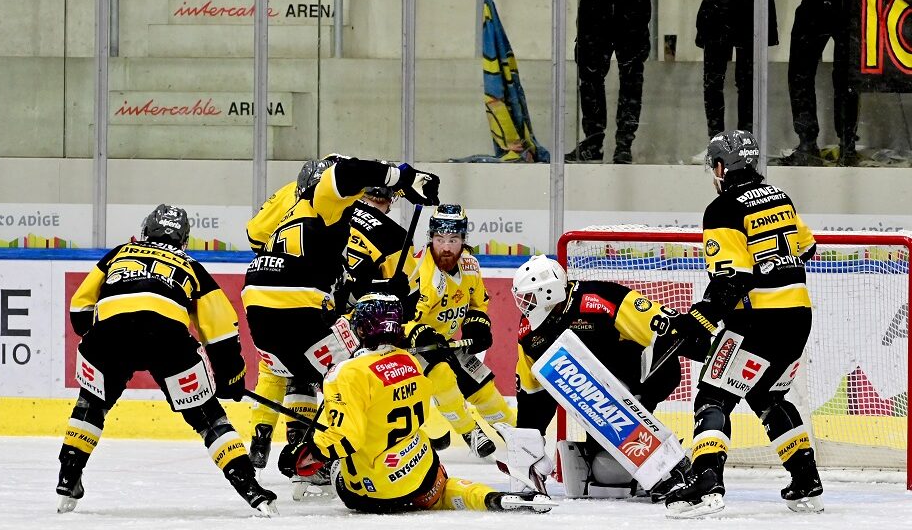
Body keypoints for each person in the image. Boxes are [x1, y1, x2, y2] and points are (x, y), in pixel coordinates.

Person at [57, 204, 276, 515]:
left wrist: (100, 337)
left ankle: (68, 475)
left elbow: (80, 308)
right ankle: (250, 488)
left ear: (145, 231)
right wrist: (231, 376)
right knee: (208, 417)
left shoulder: (121, 252)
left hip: (110, 332)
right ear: (183, 239)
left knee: (91, 403)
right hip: (166, 337)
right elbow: (221, 330)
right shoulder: (191, 265)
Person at [241, 156, 439, 496]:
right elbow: (348, 172)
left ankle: (303, 452)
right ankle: (326, 452)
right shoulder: (324, 202)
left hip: (258, 304)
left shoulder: (290, 209)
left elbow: (255, 234)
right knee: (360, 370)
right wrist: (405, 176)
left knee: (308, 370)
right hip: (297, 303)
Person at [664, 130, 823, 518]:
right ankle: (806, 480)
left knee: (712, 397)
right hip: (798, 317)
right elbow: (808, 247)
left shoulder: (722, 209)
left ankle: (705, 482)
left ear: (721, 167)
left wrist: (701, 317)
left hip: (757, 320)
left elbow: (731, 278)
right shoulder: (780, 197)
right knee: (768, 396)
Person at [277, 293, 554, 514]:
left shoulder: (346, 372)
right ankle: (494, 499)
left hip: (373, 494)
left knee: (339, 467)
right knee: (443, 490)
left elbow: (346, 437)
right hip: (422, 474)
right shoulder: (411, 362)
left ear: (361, 328)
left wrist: (307, 453)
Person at [510, 254, 706, 500]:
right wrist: (527, 454)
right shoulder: (528, 333)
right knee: (608, 474)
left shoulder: (598, 298)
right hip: (595, 400)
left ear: (548, 292)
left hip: (641, 378)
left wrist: (704, 348)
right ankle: (628, 454)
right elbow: (532, 395)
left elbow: (662, 327)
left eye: (529, 298)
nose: (524, 306)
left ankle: (664, 460)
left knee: (618, 456)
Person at [403, 205, 516, 459]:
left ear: (463, 240)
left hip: (447, 344)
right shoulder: (420, 273)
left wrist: (477, 324)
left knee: (485, 391)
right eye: (439, 239)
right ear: (431, 238)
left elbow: (478, 303)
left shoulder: (470, 265)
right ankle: (469, 431)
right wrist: (422, 334)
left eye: (453, 240)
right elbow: (403, 321)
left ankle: (520, 437)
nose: (445, 247)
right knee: (443, 375)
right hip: (415, 349)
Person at [564, 0, 669, 164]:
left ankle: (624, 145)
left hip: (633, 1)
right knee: (589, 73)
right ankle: (592, 143)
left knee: (631, 76)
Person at [775, 0, 870, 167]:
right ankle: (807, 144)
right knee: (798, 73)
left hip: (848, 3)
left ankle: (847, 145)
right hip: (813, 2)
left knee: (846, 77)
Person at [685, 0, 777, 148]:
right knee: (713, 81)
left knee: (748, 82)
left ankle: (746, 145)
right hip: (716, 8)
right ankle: (716, 144)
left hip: (750, 9)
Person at [341, 185, 416, 310]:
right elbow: (410, 295)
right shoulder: (396, 236)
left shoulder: (338, 210)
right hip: (364, 321)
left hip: (318, 306)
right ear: (391, 199)